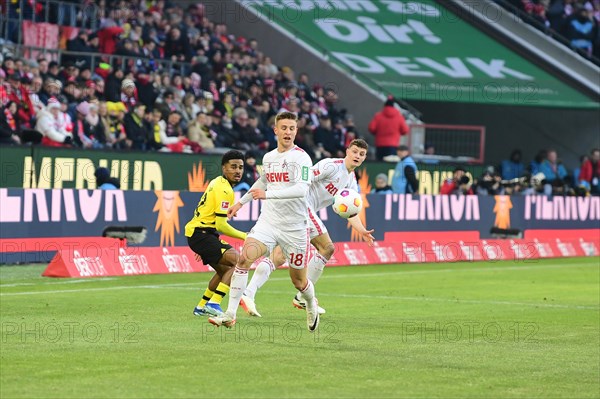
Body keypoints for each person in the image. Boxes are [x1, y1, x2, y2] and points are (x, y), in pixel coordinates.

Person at [238, 139, 375, 318]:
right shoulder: (331, 166)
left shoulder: (351, 182)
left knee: (279, 256)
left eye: (362, 154)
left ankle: (249, 293)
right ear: (347, 151)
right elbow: (304, 180)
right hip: (301, 206)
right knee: (327, 248)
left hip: (300, 211)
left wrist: (362, 230)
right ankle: (303, 296)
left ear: (364, 158)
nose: (357, 156)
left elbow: (351, 212)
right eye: (355, 151)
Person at [208, 112, 319, 332]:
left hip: (295, 227)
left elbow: (301, 189)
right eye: (284, 128)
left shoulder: (302, 158)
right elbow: (263, 180)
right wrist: (241, 203)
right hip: (268, 222)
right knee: (244, 259)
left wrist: (268, 195)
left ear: (296, 131)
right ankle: (230, 314)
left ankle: (310, 302)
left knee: (299, 281)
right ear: (275, 130)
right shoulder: (268, 157)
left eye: (292, 128)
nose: (288, 132)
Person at [184, 150, 247, 317]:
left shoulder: (217, 182)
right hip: (202, 234)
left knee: (223, 270)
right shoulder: (225, 190)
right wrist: (244, 236)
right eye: (233, 167)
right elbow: (221, 225)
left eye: (240, 167)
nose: (238, 171)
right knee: (239, 262)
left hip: (200, 234)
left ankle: (201, 306)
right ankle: (214, 303)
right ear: (224, 168)